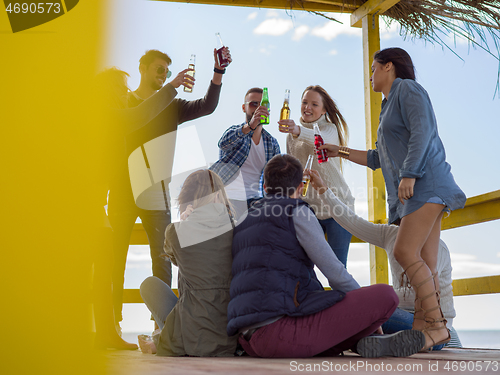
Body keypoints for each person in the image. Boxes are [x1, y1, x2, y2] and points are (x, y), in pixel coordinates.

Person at [317, 47, 466, 351]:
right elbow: (377, 158)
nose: (370, 75)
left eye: (373, 69)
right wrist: (338, 150)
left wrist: (409, 174)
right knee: (425, 261)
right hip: (419, 188)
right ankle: (424, 332)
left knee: (403, 251)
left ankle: (437, 328)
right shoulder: (387, 107)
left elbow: (423, 131)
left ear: (388, 67)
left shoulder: (407, 89)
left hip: (426, 183)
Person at [227, 154, 426, 358]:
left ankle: (364, 344)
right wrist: (371, 320)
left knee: (325, 308)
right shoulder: (297, 212)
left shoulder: (243, 220)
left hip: (248, 340)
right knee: (386, 295)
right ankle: (372, 338)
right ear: (300, 188)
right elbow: (335, 272)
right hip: (282, 334)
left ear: (266, 188)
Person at [108, 47, 232, 329]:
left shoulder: (171, 105)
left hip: (156, 191)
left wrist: (218, 73)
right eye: (159, 69)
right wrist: (172, 86)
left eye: (167, 70)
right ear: (142, 68)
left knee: (162, 259)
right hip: (122, 190)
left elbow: (207, 106)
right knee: (115, 257)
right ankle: (112, 322)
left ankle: (161, 325)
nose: (164, 74)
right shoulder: (123, 103)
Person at [307, 169, 462, 350]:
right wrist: (323, 190)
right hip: (400, 315)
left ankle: (367, 339)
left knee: (364, 312)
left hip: (432, 327)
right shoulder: (390, 234)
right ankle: (378, 343)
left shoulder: (438, 248)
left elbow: (419, 295)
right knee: (359, 309)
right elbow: (351, 221)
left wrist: (378, 297)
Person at [92, 66, 189, 350]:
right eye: (122, 88)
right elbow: (140, 115)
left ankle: (107, 333)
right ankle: (106, 332)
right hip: (86, 202)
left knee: (105, 265)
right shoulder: (107, 115)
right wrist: (171, 87)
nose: (126, 93)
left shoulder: (108, 117)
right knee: (105, 264)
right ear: (110, 91)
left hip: (96, 203)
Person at [139, 169, 238, 356]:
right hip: (230, 334)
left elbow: (175, 258)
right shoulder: (237, 228)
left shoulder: (175, 232)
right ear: (218, 196)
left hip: (191, 334)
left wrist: (185, 222)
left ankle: (165, 336)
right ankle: (164, 336)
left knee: (149, 285)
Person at [278, 85, 355, 267]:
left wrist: (297, 130)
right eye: (305, 102)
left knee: (337, 268)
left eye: (314, 104)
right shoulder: (291, 136)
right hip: (310, 209)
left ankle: (343, 296)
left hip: (338, 208)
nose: (308, 108)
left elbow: (320, 139)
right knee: (302, 267)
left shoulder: (330, 130)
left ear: (324, 109)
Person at [210, 88, 281, 221]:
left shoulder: (272, 143)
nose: (259, 108)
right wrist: (250, 126)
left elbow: (277, 178)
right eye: (254, 104)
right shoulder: (236, 132)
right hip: (227, 200)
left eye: (263, 105)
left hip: (255, 202)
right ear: (244, 107)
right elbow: (223, 143)